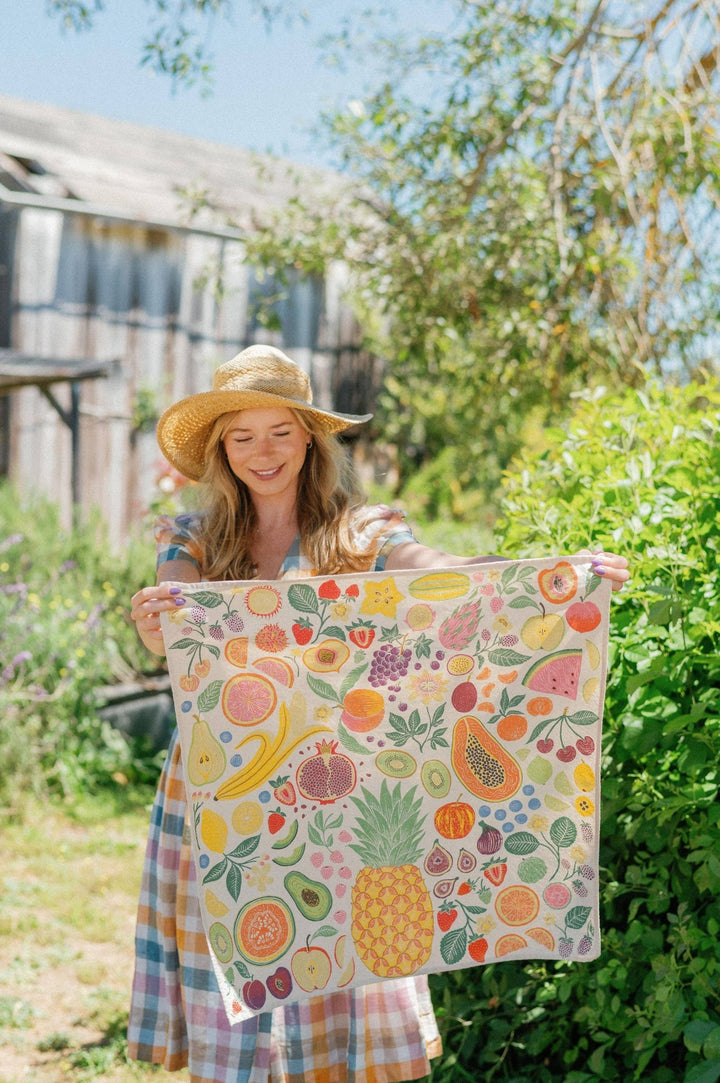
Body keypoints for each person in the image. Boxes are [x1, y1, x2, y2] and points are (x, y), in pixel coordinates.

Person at [128, 343, 629, 1083]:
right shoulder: (194, 537)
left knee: (338, 955)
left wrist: (558, 576)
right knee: (238, 948)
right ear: (222, 450)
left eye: (280, 432)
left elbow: (438, 573)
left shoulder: (360, 531)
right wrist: (154, 619)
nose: (263, 452)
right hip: (225, 785)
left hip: (338, 787)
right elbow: (170, 618)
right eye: (242, 437)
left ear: (309, 437)